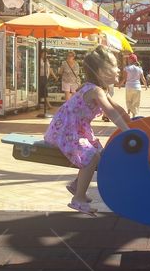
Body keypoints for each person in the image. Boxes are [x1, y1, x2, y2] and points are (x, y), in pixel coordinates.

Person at [43, 45, 133, 215]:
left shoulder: (100, 90)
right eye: (114, 66)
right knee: (91, 156)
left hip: (77, 128)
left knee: (99, 152)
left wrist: (133, 122)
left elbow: (118, 109)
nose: (118, 70)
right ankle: (78, 197)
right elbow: (111, 112)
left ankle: (76, 184)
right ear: (101, 71)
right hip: (67, 130)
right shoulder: (95, 90)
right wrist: (126, 130)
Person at [121, 53, 145, 118]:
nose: (128, 60)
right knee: (136, 102)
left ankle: (128, 113)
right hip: (137, 87)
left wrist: (120, 84)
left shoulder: (126, 68)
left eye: (129, 59)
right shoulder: (139, 69)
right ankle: (134, 115)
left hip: (129, 86)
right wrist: (145, 85)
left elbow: (125, 78)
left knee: (128, 100)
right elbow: (142, 78)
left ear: (131, 60)